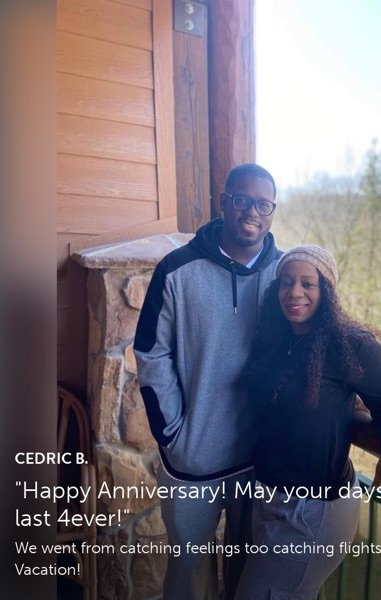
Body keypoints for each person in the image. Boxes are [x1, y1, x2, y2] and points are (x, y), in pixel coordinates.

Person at [234, 245, 381, 600]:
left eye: (308, 283)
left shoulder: (350, 345)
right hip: (269, 498)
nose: (295, 293)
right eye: (286, 283)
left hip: (314, 511)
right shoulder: (276, 338)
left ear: (327, 291)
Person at [135, 163, 283, 599]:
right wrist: (175, 434)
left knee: (249, 577)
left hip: (259, 462)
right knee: (188, 577)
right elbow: (151, 353)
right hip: (193, 464)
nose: (251, 212)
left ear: (273, 211)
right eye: (242, 200)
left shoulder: (284, 275)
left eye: (263, 204)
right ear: (224, 203)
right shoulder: (177, 270)